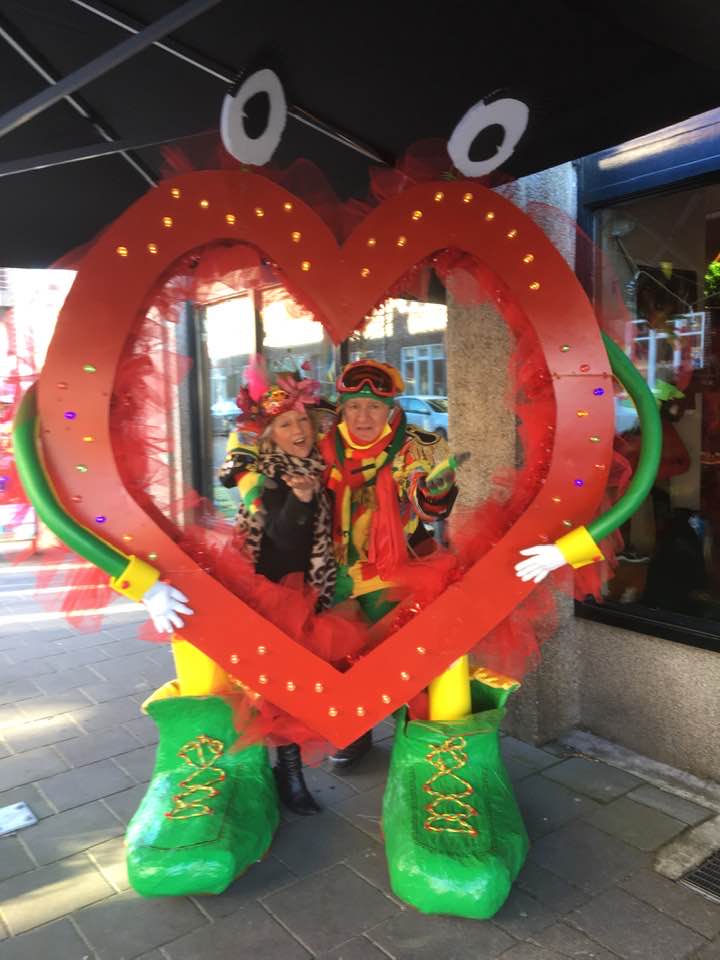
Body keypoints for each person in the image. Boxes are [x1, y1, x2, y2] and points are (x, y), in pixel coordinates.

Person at [319, 358, 458, 763]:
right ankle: (353, 730)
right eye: (354, 406)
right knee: (339, 657)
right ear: (342, 408)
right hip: (332, 571)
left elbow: (429, 505)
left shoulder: (417, 446)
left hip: (394, 570)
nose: (363, 417)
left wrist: (432, 491)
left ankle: (415, 739)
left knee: (402, 659)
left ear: (391, 409)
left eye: (374, 407)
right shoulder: (321, 445)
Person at [219, 368, 336, 814]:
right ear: (270, 436)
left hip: (307, 594)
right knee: (278, 693)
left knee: (292, 692)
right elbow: (283, 540)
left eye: (302, 420)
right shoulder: (265, 476)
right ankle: (287, 777)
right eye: (285, 424)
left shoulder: (314, 468)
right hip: (273, 599)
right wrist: (301, 503)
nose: (298, 429)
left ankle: (286, 773)